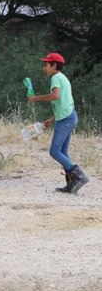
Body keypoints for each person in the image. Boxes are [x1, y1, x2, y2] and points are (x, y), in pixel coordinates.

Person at [28, 52, 89, 194]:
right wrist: (51, 120)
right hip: (69, 117)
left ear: (54, 65)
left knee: (54, 151)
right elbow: (62, 104)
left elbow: (55, 96)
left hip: (66, 120)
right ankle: (72, 184)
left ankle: (80, 176)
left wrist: (35, 99)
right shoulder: (62, 78)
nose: (44, 68)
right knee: (62, 152)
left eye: (46, 65)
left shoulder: (56, 77)